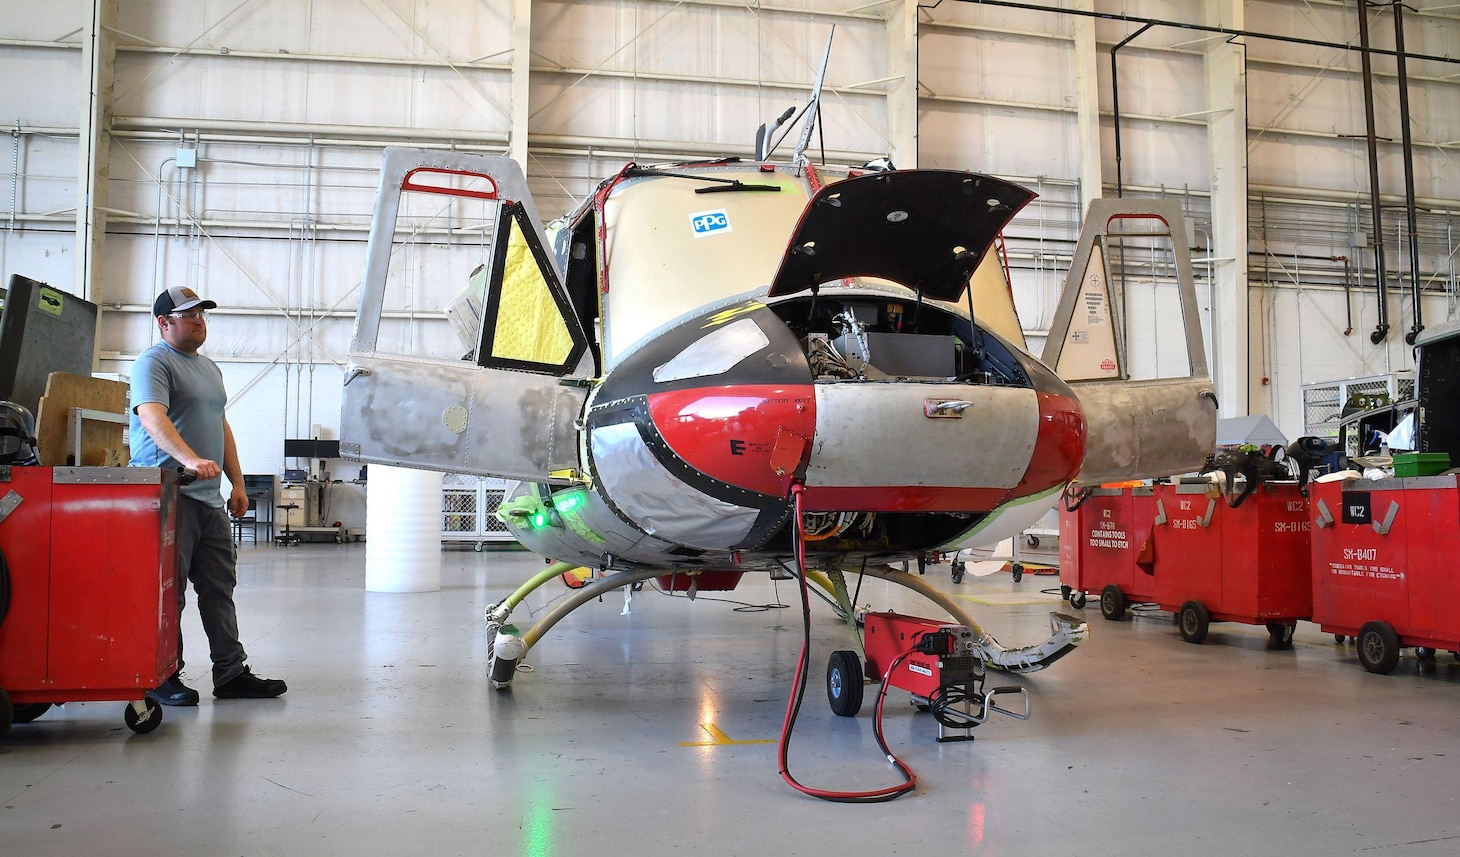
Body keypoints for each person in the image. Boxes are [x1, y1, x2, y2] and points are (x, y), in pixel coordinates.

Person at [130, 286, 287, 705]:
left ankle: (231, 674)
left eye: (201, 313)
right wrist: (189, 459)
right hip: (170, 494)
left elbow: (222, 425)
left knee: (220, 587)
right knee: (169, 590)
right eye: (188, 314)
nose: (199, 320)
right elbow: (151, 415)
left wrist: (235, 482)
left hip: (208, 499)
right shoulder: (154, 362)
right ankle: (161, 675)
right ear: (164, 323)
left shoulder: (210, 368)